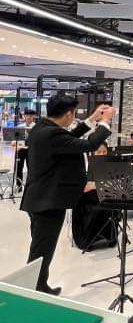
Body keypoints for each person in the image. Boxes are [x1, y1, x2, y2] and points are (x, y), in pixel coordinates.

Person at [20, 96, 113, 294]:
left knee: (41, 248)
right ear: (69, 114)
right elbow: (89, 145)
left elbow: (69, 138)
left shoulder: (42, 128)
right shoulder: (52, 134)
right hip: (48, 202)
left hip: (39, 198)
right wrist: (105, 122)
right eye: (73, 114)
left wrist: (92, 119)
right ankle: (34, 290)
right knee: (42, 250)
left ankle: (38, 285)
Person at [15, 108, 37, 191]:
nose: (29, 117)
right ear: (24, 116)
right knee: (19, 168)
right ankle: (19, 186)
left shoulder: (36, 127)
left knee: (31, 168)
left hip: (31, 150)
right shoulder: (20, 126)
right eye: (27, 115)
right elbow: (15, 139)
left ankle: (30, 186)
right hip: (21, 149)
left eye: (31, 116)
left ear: (33, 116)